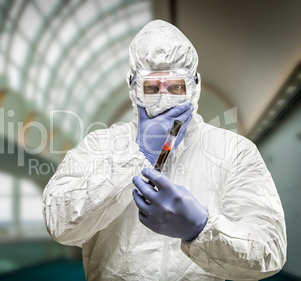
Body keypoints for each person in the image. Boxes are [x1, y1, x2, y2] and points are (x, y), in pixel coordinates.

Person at [42, 20, 287, 280]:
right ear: (133, 87)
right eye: (151, 88)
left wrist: (201, 228)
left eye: (175, 87)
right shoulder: (100, 145)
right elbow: (60, 224)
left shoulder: (233, 151)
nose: (163, 98)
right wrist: (138, 155)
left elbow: (269, 250)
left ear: (195, 86)